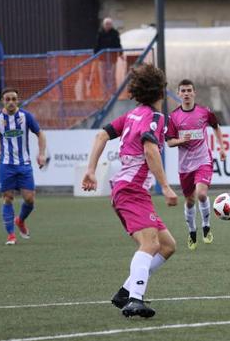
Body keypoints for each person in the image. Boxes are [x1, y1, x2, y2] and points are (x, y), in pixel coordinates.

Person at [82, 64, 178, 318]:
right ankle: (136, 299)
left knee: (167, 246)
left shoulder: (133, 115)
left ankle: (126, 291)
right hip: (132, 190)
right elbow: (150, 149)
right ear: (161, 91)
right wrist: (166, 187)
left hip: (126, 189)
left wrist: (91, 169)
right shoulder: (156, 118)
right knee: (150, 243)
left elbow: (101, 135)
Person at [0, 89, 47, 245]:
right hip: (6, 165)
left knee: (30, 199)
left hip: (24, 165)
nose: (11, 102)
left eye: (14, 99)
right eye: (7, 99)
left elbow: (40, 134)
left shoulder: (26, 116)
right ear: (3, 100)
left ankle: (20, 220)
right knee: (7, 198)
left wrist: (42, 153)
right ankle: (11, 235)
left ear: (18, 100)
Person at [166, 79, 226, 250]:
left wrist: (221, 147)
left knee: (201, 194)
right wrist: (180, 140)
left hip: (203, 161)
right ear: (178, 94)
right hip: (185, 166)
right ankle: (192, 231)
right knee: (190, 201)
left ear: (194, 93)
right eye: (183, 91)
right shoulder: (173, 117)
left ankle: (206, 226)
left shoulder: (204, 112)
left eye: (189, 90)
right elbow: (169, 142)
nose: (186, 94)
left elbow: (216, 126)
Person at [94, 18, 122, 92]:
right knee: (103, 76)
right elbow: (97, 44)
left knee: (112, 76)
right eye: (106, 24)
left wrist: (121, 53)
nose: (108, 26)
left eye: (109, 24)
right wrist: (95, 54)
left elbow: (118, 44)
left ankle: (113, 93)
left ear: (111, 25)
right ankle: (104, 93)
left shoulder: (115, 33)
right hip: (102, 57)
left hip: (113, 57)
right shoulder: (100, 33)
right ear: (103, 25)